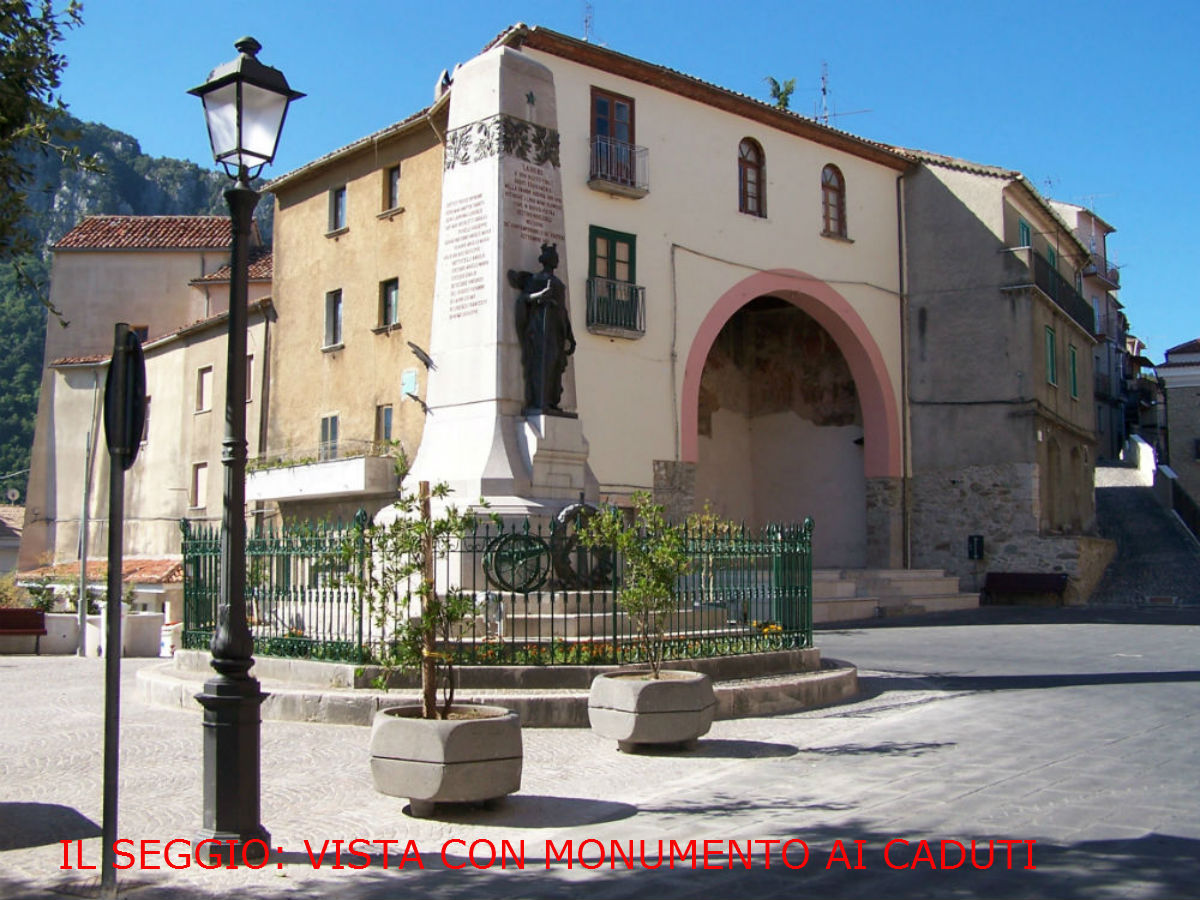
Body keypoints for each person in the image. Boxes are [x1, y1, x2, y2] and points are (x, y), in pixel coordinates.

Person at [509, 243, 576, 412]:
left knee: (554, 364)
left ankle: (552, 401)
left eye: (556, 257)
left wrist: (570, 335)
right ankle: (540, 401)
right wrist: (541, 295)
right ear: (546, 260)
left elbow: (564, 310)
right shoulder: (536, 280)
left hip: (557, 329)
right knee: (542, 363)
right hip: (540, 328)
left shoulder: (559, 284)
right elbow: (525, 298)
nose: (556, 260)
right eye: (553, 257)